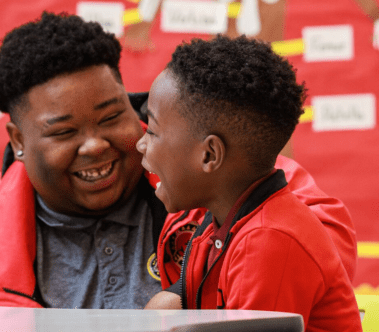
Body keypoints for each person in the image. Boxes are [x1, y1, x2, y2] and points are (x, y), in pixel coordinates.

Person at [0, 12, 356, 309]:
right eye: (64, 132)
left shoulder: (206, 171)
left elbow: (316, 239)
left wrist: (193, 296)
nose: (94, 145)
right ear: (18, 140)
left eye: (113, 117)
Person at [138, 35, 361, 331]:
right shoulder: (218, 225)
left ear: (209, 155)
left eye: (152, 132)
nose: (141, 144)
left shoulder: (269, 240)